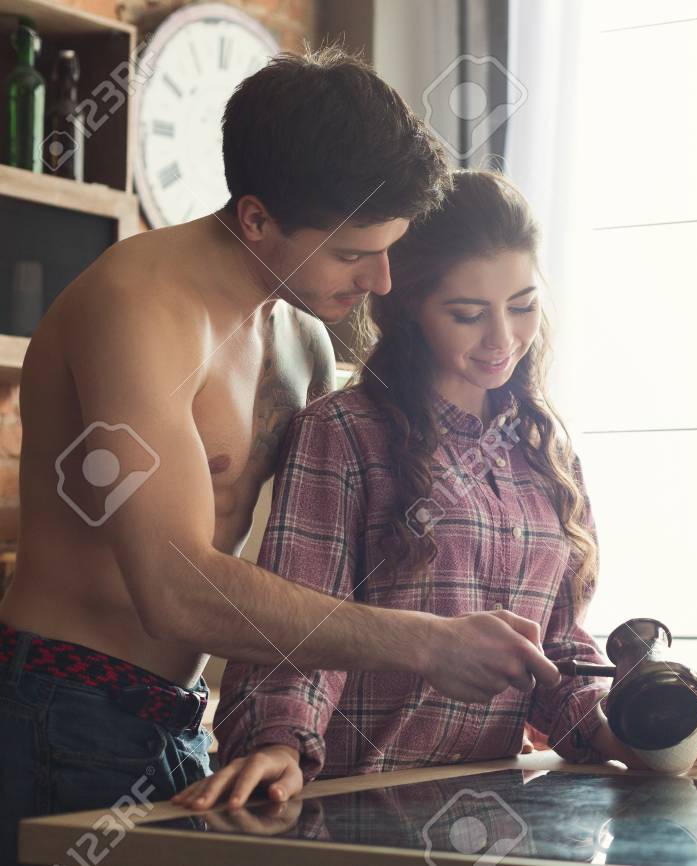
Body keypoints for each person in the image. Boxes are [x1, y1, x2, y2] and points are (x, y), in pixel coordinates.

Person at [0, 50, 559, 856]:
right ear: (257, 217)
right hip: (62, 706)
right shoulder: (138, 306)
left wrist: (284, 734)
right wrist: (432, 642)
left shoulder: (298, 336)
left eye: (391, 248)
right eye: (352, 254)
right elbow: (173, 590)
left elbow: (313, 564)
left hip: (184, 720)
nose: (383, 280)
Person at [173, 171, 697, 810]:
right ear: (408, 310)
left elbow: (559, 650)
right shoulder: (344, 432)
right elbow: (303, 620)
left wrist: (620, 727)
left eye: (522, 305)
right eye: (467, 314)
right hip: (354, 805)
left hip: (496, 816)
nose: (502, 339)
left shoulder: (546, 450)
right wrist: (280, 743)